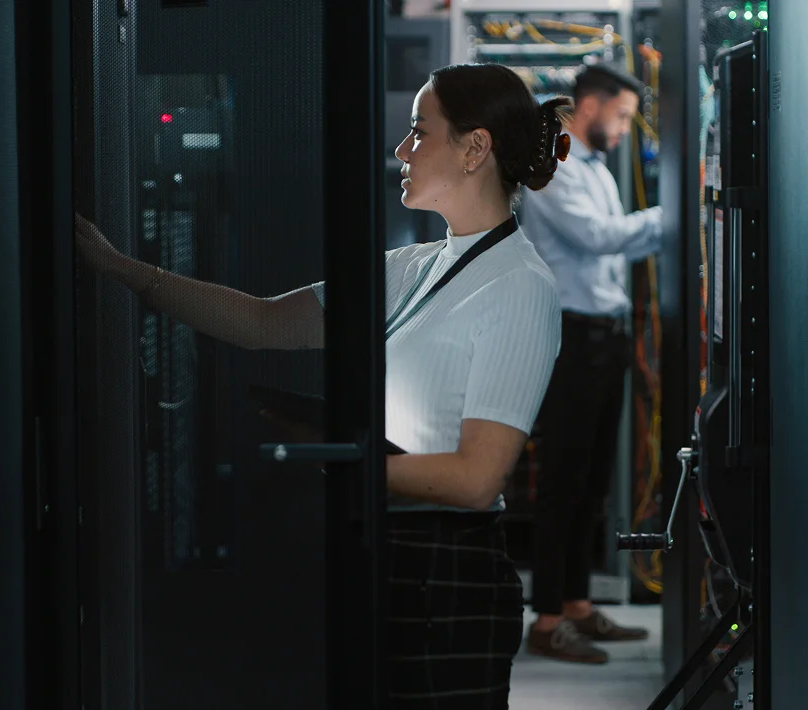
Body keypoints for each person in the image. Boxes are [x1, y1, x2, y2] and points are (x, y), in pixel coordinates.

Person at [77, 62, 569, 707]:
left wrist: (342, 458)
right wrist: (119, 269)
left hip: (446, 574)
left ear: (475, 148)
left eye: (420, 132)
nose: (402, 150)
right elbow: (260, 322)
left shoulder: (520, 286)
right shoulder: (415, 266)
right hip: (392, 555)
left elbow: (477, 480)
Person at [518, 62, 662, 664]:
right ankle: (547, 620)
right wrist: (673, 212)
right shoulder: (552, 169)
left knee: (594, 481)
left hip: (604, 340)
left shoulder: (597, 170)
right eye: (623, 115)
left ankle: (576, 605)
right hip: (570, 340)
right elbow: (597, 238)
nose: (627, 129)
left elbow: (615, 238)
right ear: (591, 105)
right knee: (564, 481)